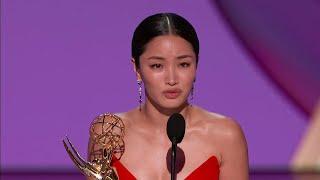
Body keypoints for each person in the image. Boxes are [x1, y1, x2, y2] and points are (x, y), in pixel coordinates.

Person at [87, 12, 248, 180]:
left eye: (183, 64)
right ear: (137, 69)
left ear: (196, 65)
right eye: (157, 65)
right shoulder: (109, 133)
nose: (172, 79)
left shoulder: (225, 135)